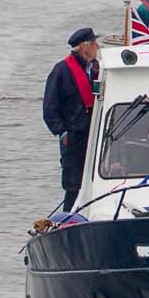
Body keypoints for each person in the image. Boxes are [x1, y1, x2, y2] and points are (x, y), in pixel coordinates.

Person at [43, 27, 101, 212]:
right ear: (85, 47)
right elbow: (50, 107)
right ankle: (69, 216)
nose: (97, 47)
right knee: (73, 183)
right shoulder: (61, 71)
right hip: (74, 134)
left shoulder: (97, 68)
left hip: (95, 132)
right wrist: (62, 132)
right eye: (94, 43)